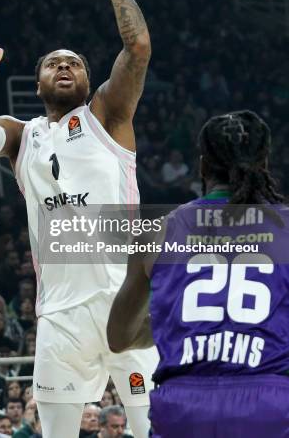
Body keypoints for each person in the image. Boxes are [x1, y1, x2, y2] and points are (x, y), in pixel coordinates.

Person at [0, 0, 157, 437]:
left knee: (153, 428)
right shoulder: (22, 135)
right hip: (60, 315)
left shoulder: (107, 115)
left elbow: (138, 48)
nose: (64, 66)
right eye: (53, 63)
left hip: (124, 303)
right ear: (38, 82)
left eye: (75, 63)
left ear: (89, 80)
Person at [107, 111, 289, 437]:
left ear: (203, 167)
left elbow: (119, 337)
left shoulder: (157, 232)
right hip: (268, 402)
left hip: (183, 407)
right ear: (263, 163)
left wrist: (178, 324)